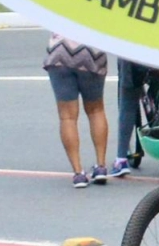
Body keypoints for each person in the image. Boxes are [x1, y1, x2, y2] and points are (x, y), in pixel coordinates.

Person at [41, 37, 109, 189]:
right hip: (92, 51)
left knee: (67, 117)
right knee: (96, 110)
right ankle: (100, 166)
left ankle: (78, 173)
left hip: (59, 52)